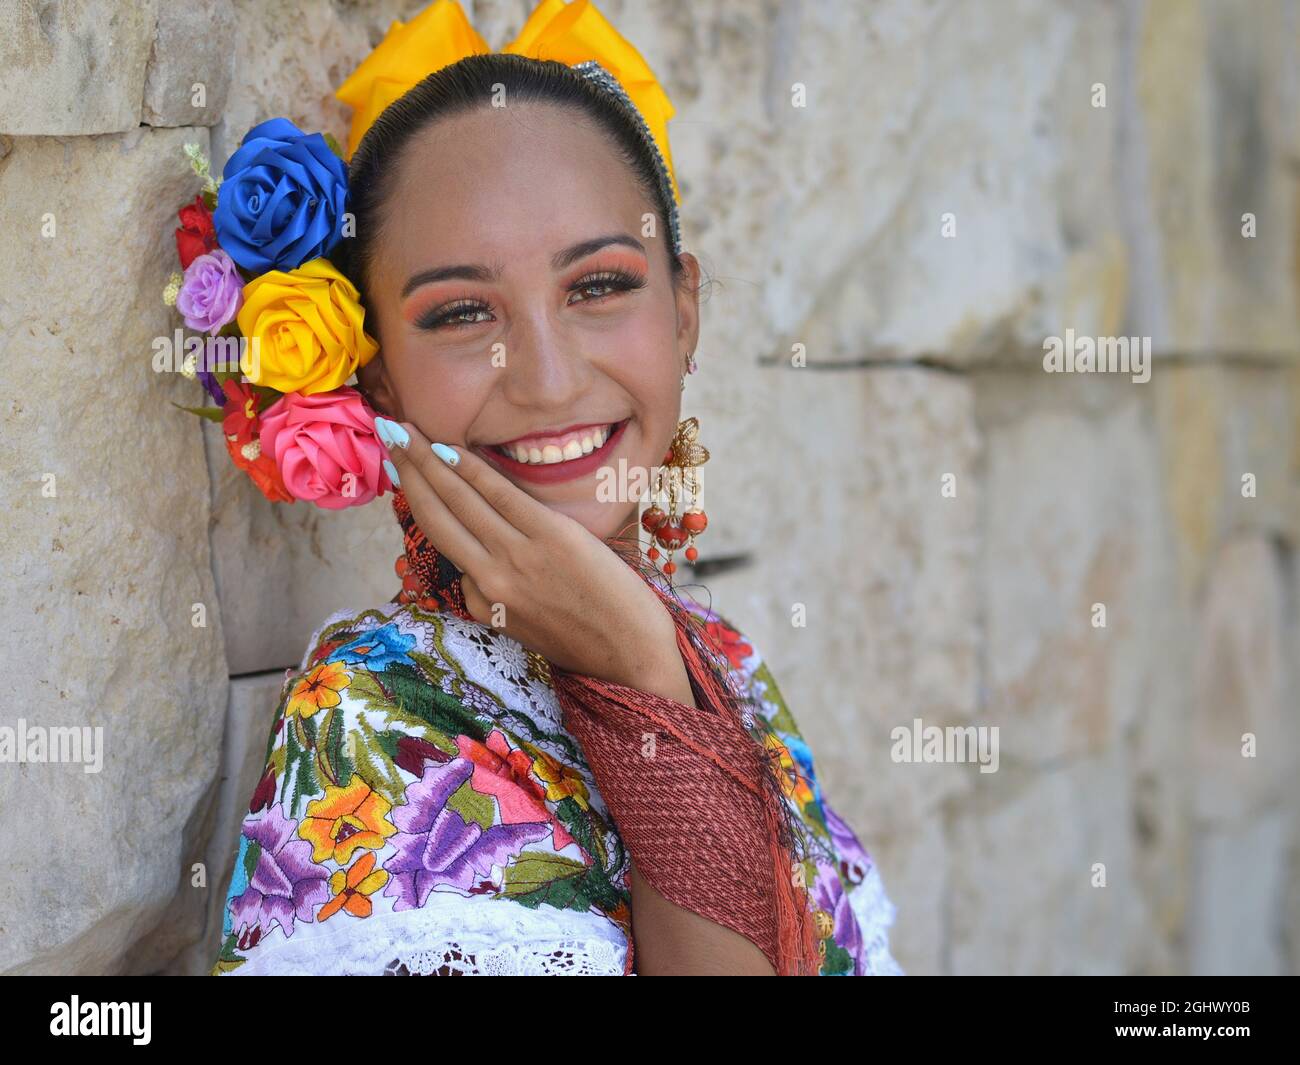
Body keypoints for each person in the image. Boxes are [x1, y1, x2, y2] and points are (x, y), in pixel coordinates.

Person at [209, 0, 900, 976]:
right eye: (459, 311)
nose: (544, 377)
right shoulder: (376, 717)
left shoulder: (723, 668)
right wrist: (636, 681)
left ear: (684, 312)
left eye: (599, 287)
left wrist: (650, 667)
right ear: (378, 379)